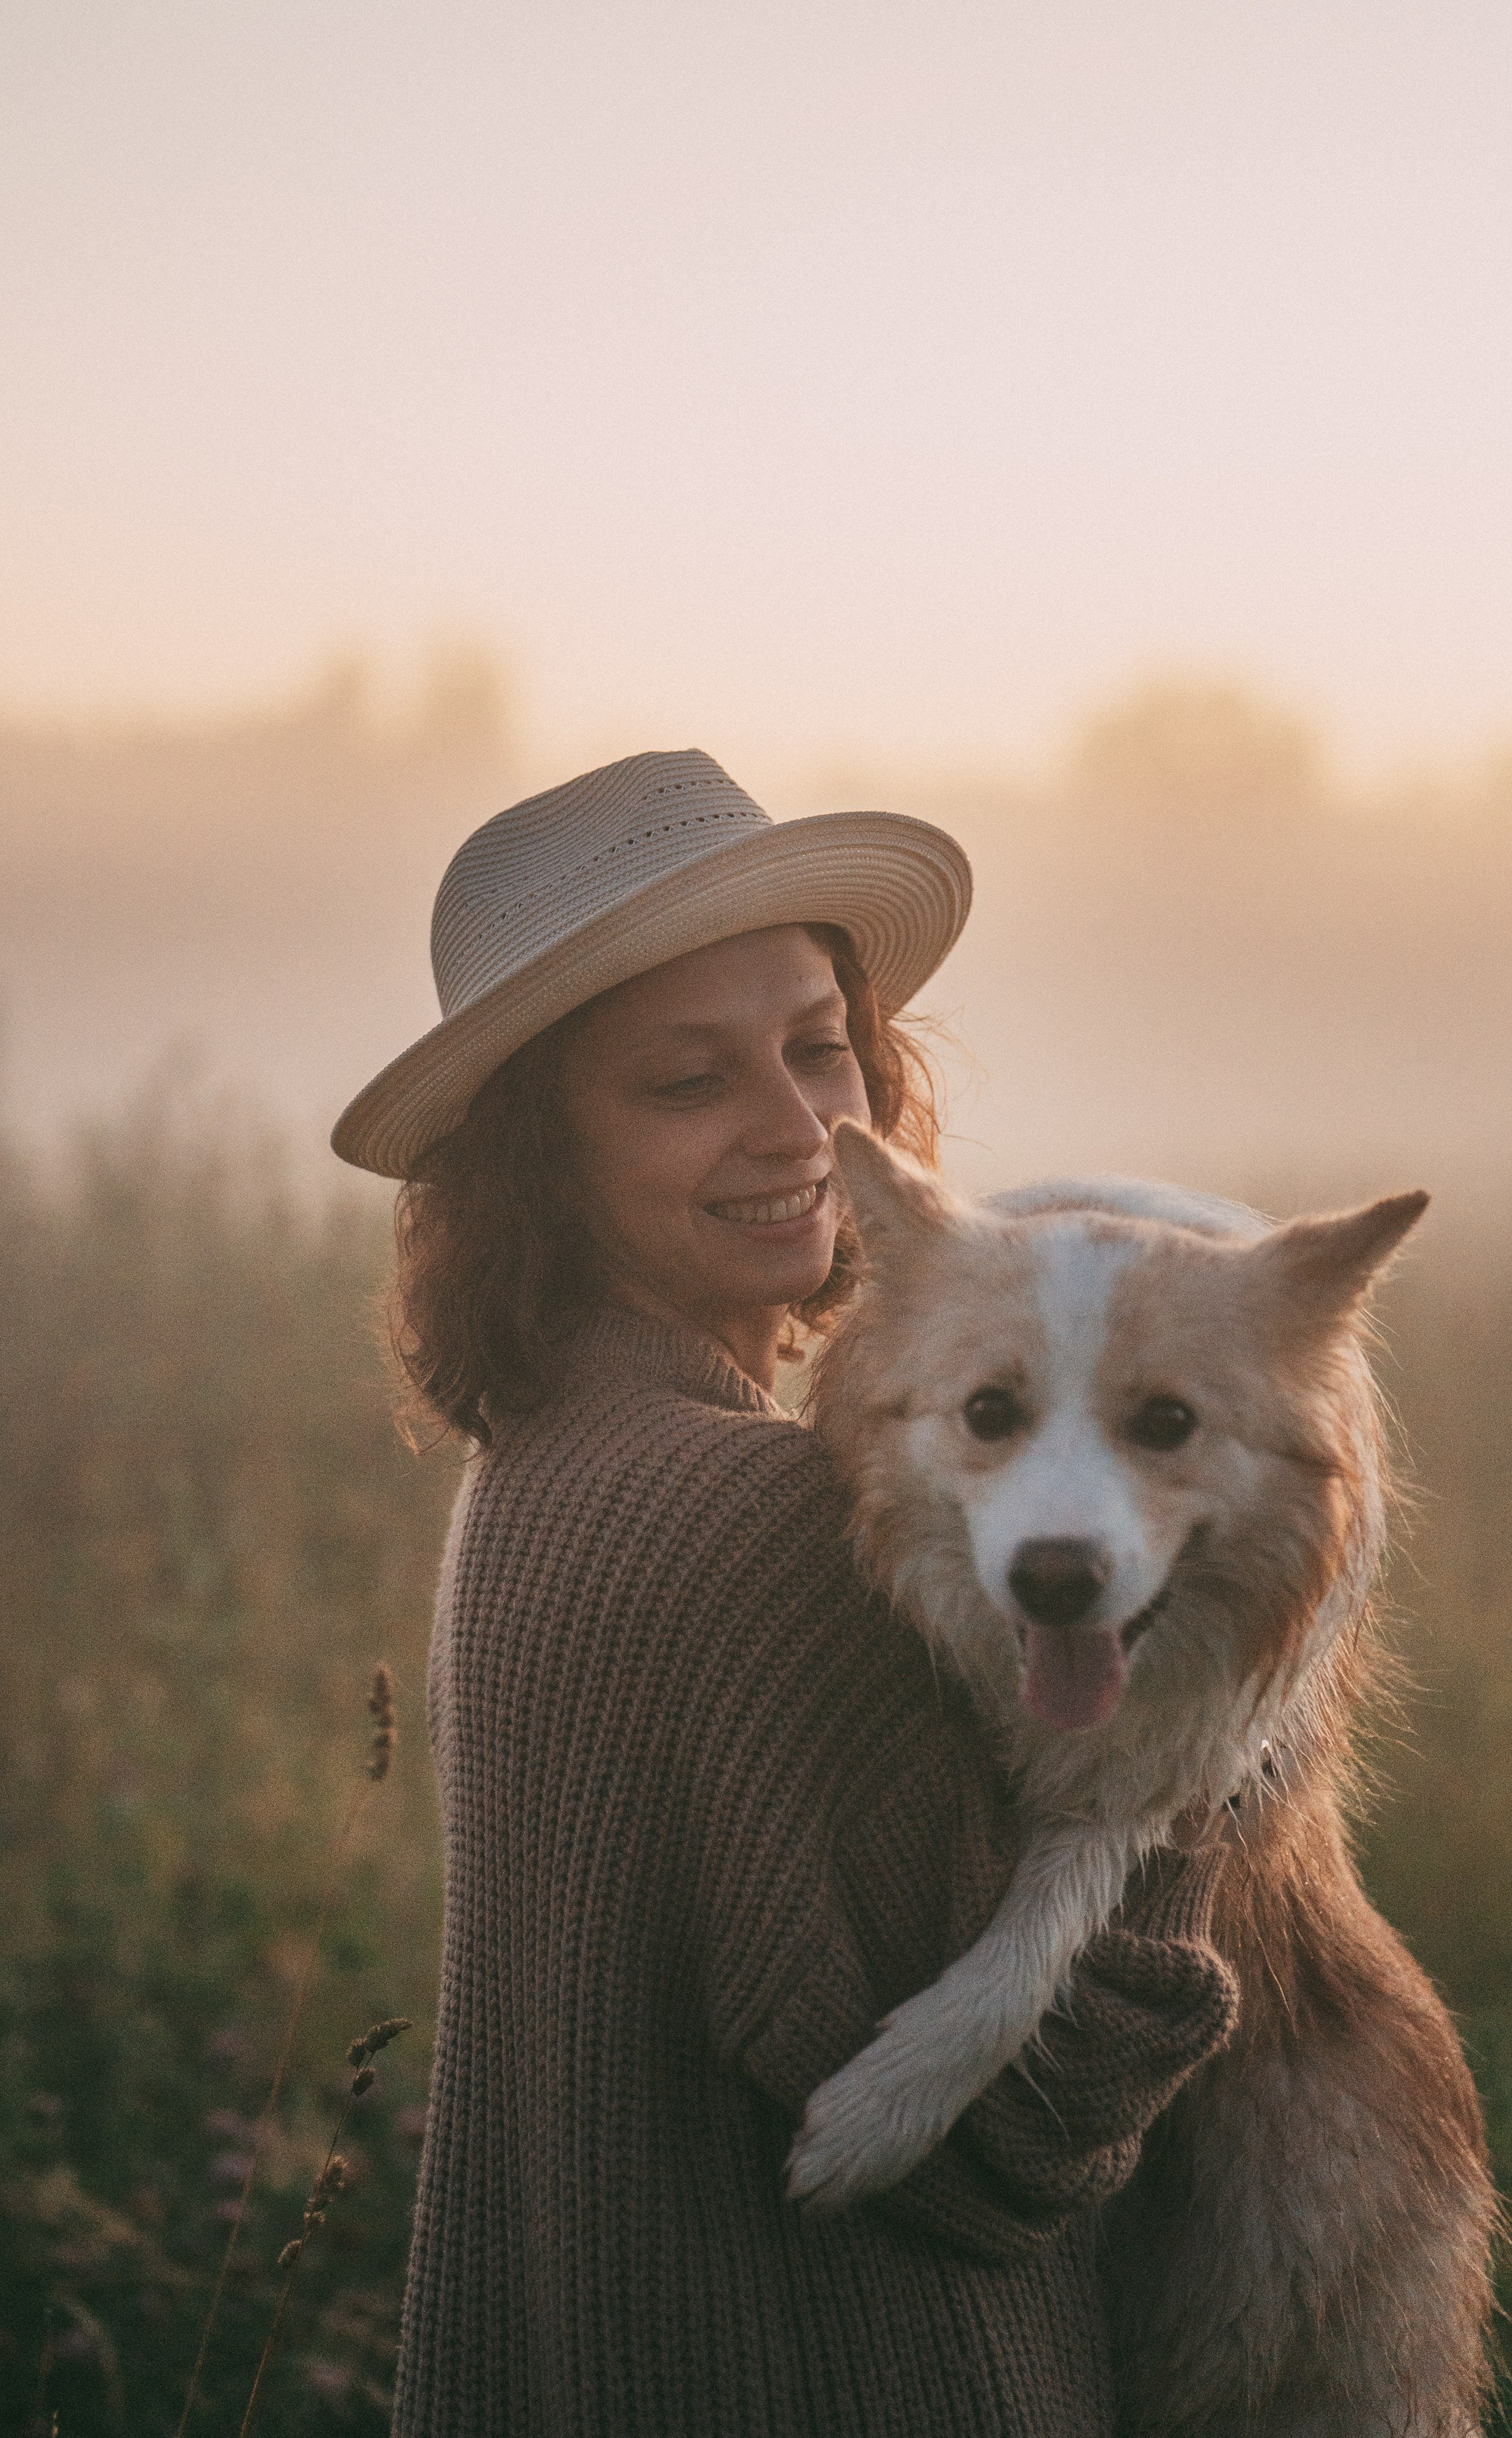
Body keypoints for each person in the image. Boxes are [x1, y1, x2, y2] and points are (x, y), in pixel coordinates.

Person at [332, 750, 1237, 2438]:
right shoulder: (750, 1517)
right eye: (685, 1082)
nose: (801, 1126)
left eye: (818, 1045)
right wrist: (1192, 1730)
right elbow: (1016, 2140)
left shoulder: (545, 1467)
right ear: (538, 1157)